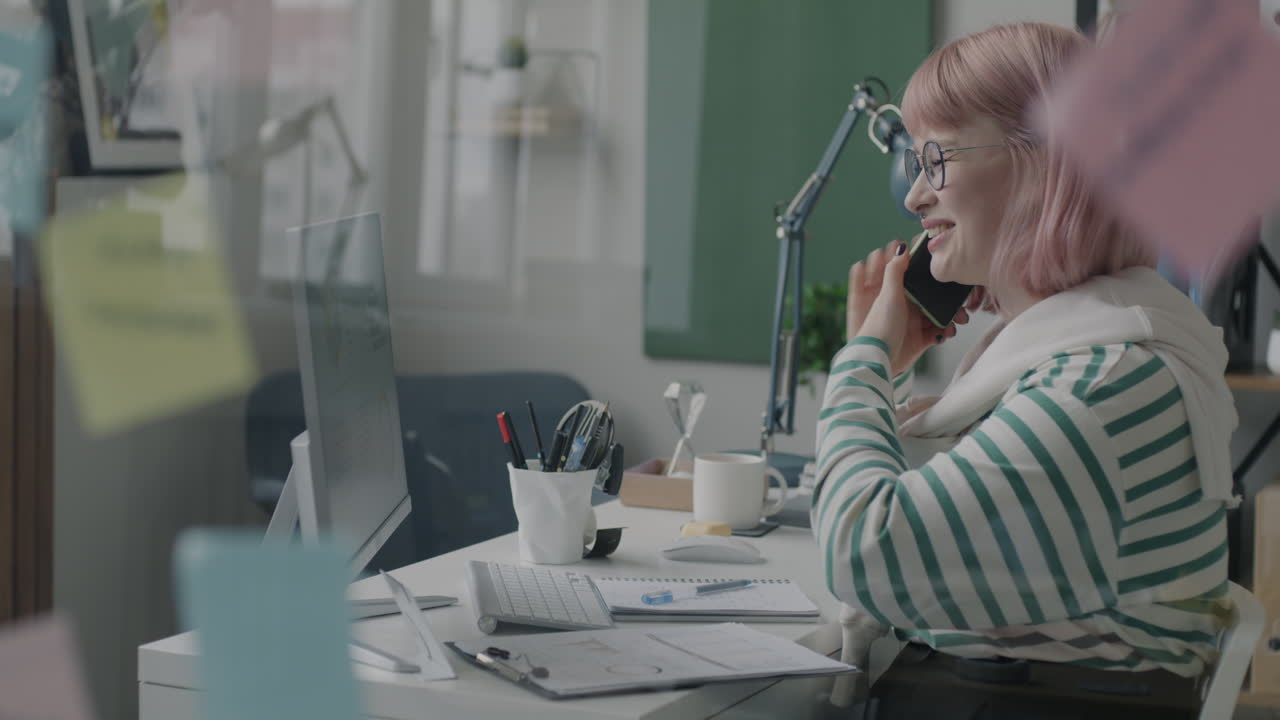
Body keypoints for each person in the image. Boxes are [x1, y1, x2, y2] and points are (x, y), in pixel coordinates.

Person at [811, 21, 1238, 717]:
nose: (915, 198)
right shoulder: (1085, 353)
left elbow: (861, 553)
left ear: (1047, 165)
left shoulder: (1097, 389)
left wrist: (863, 359)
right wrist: (885, 373)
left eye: (936, 159)